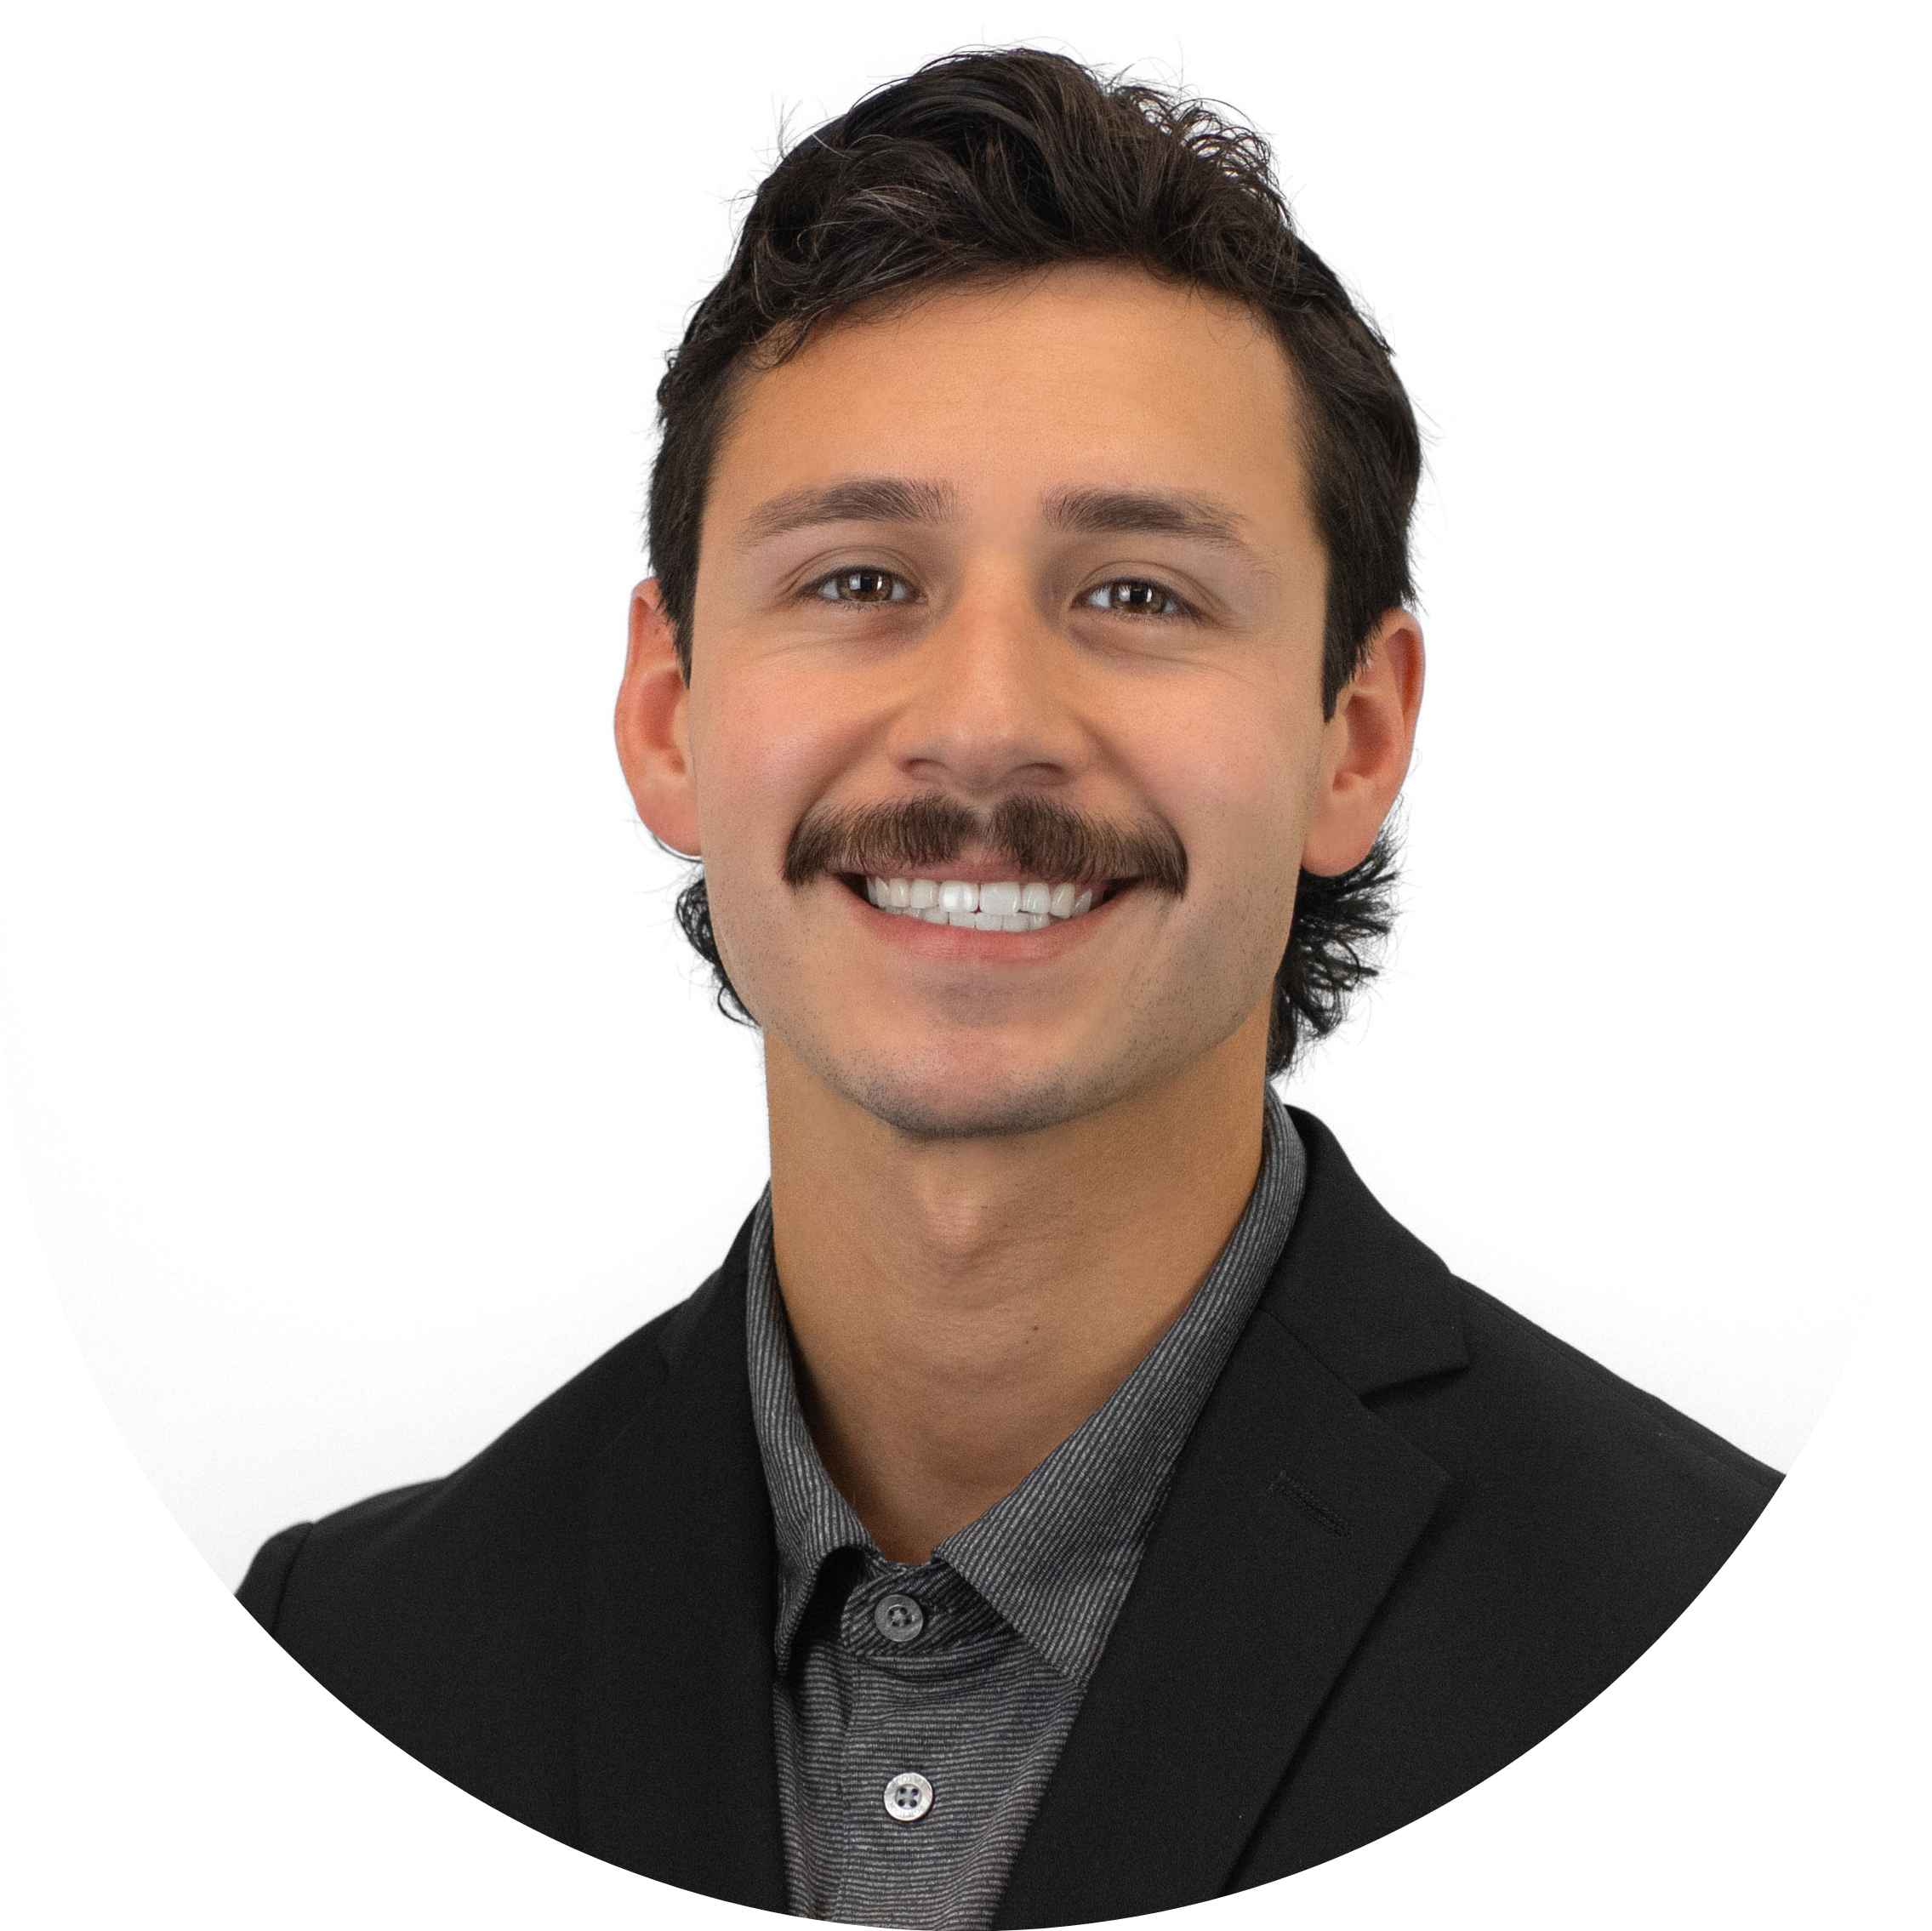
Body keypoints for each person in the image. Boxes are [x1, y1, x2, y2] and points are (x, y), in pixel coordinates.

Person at [238, 48, 1776, 1922]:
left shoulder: (1669, 1594)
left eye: (1136, 593)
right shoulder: (355, 1648)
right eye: (859, 580)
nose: (980, 722)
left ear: (1354, 735)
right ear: (668, 712)